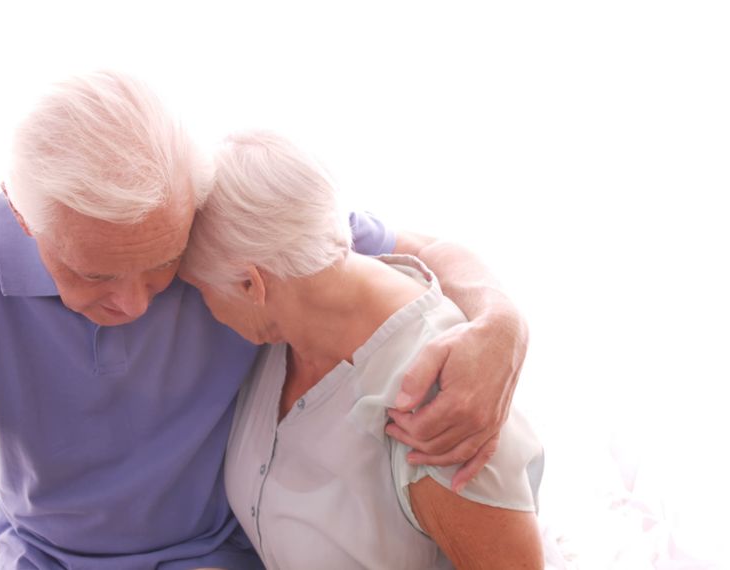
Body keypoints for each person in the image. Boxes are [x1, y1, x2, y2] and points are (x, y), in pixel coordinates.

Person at [0, 71, 531, 569]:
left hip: (218, 553)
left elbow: (419, 251)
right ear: (24, 221)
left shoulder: (217, 215)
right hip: (50, 555)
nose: (134, 304)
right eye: (95, 274)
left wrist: (500, 323)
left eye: (163, 264)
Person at [180, 130, 544, 569]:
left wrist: (502, 322)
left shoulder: (439, 401)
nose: (203, 308)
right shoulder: (288, 328)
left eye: (200, 290)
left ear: (249, 285)